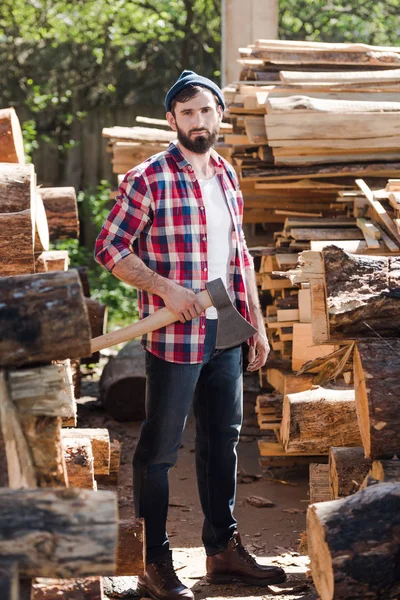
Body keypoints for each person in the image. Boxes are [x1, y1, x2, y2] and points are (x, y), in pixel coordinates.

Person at [95, 70, 286, 600]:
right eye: (187, 113)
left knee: (221, 441)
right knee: (159, 451)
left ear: (218, 114)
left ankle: (222, 551)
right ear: (171, 120)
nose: (197, 121)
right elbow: (109, 248)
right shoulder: (147, 178)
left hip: (226, 331)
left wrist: (258, 325)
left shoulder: (226, 174)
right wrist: (166, 289)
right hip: (175, 339)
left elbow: (239, 256)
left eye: (205, 111)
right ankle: (153, 561)